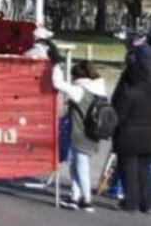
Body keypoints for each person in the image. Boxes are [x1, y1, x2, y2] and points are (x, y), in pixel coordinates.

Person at [53, 61, 108, 211]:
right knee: (77, 166)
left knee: (80, 167)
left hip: (79, 134)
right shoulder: (99, 90)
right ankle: (75, 196)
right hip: (93, 134)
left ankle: (86, 199)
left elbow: (57, 84)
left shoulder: (80, 90)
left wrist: (55, 66)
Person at [113, 42, 151, 212]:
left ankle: (131, 203)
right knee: (144, 170)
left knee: (128, 169)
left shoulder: (128, 89)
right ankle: (146, 202)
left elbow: (118, 112)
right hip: (148, 133)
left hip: (128, 133)